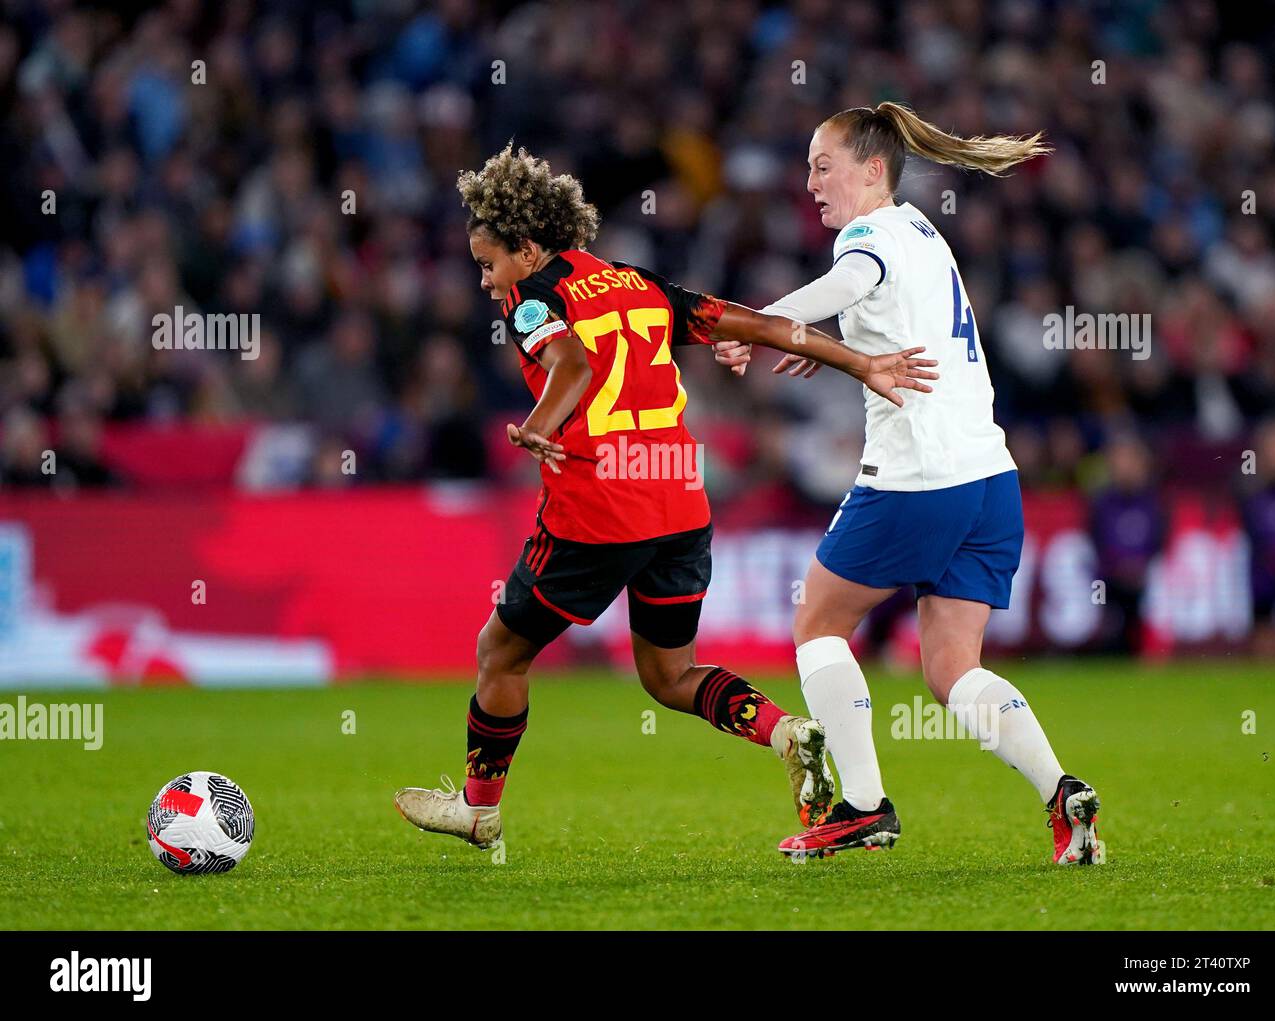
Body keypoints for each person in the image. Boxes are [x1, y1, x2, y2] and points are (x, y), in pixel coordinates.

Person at [394, 144, 939, 850]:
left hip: (598, 509)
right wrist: (862, 363)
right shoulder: (636, 282)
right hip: (682, 503)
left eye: (489, 263)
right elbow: (763, 325)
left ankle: (478, 807)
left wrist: (536, 426)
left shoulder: (534, 299)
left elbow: (572, 364)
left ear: (527, 249)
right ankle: (785, 728)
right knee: (669, 671)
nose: (485, 280)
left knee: (500, 651)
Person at [715, 104, 1104, 865]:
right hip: (991, 479)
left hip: (917, 478)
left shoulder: (868, 237)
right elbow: (880, 308)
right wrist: (824, 343)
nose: (811, 182)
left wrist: (756, 324)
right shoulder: (923, 229)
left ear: (870, 168)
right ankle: (1063, 793)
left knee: (818, 625)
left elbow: (852, 280)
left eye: (821, 165)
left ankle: (863, 806)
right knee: (953, 667)